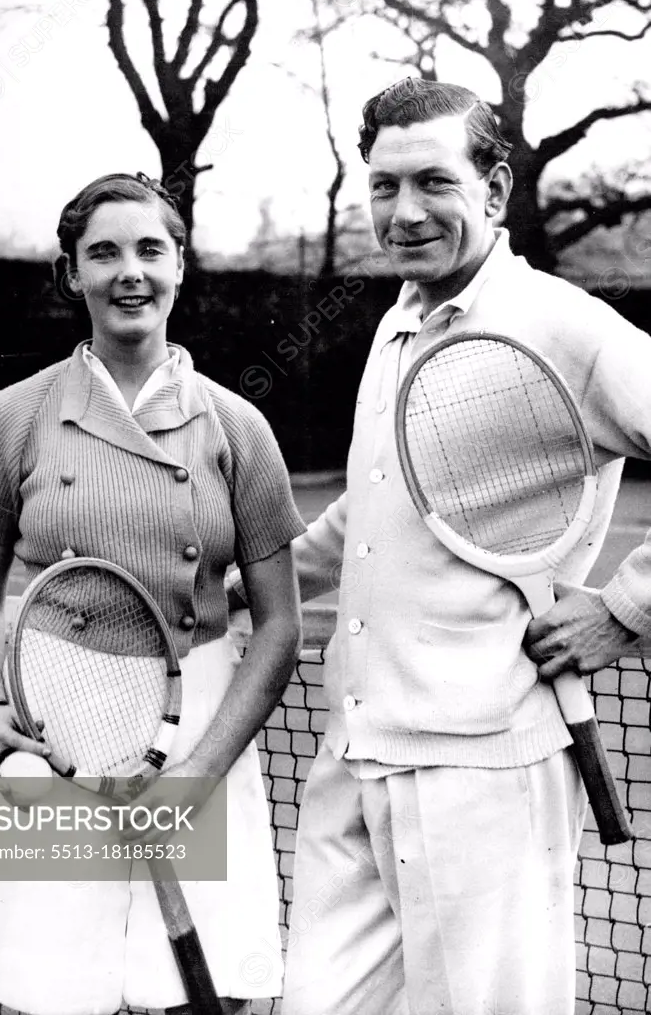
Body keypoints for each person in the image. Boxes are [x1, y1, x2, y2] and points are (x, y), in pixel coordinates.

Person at [227, 78, 651, 1015]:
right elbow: (375, 520)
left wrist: (625, 612)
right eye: (383, 186)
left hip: (484, 770)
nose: (404, 212)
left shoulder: (567, 326)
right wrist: (238, 585)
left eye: (432, 182)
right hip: (354, 748)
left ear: (494, 191)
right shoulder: (399, 321)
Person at [0, 171, 304, 1015]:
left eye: (150, 249)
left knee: (194, 992)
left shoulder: (237, 428)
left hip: (200, 723)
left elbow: (281, 625)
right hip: (53, 721)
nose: (128, 272)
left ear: (182, 265)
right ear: (71, 273)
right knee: (53, 987)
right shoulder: (12, 415)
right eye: (101, 253)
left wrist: (200, 774)